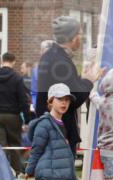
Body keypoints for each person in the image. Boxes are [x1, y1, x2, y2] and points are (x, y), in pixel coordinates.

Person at [36, 17, 103, 154]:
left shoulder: (49, 55)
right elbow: (73, 98)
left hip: (50, 127)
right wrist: (88, 81)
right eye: (80, 34)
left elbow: (62, 87)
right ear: (73, 38)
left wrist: (80, 80)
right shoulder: (61, 61)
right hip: (59, 132)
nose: (81, 38)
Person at [0, 52, 32, 177]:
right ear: (14, 61)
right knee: (15, 145)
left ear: (1, 61)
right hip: (13, 116)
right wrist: (27, 119)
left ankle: (1, 174)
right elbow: (23, 100)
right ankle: (17, 173)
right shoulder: (17, 78)